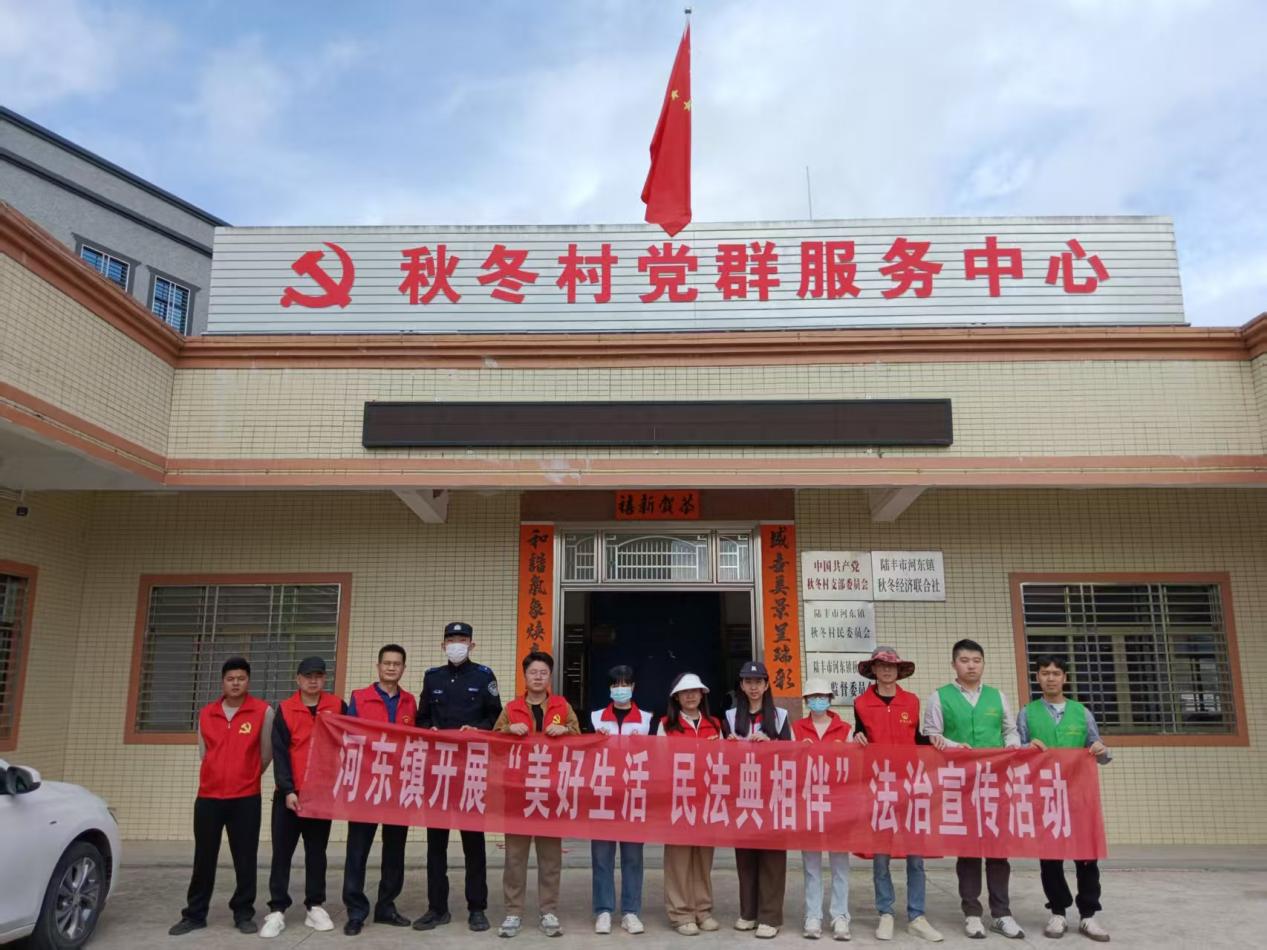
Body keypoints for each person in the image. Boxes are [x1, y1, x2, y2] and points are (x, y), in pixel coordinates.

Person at [923, 639, 1032, 941]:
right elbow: (932, 734)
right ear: (953, 664)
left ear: (983, 664)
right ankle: (972, 913)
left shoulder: (997, 696)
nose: (971, 666)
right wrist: (957, 747)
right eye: (964, 660)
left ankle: (1002, 914)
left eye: (976, 660)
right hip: (960, 783)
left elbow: (1010, 730)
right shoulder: (939, 697)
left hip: (996, 782)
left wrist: (1011, 747)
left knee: (998, 851)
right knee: (968, 851)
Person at [169, 657, 273, 936]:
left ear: (248, 681)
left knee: (245, 858)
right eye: (230, 679)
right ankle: (195, 914)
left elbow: (266, 754)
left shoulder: (263, 712)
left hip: (245, 798)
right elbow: (204, 753)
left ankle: (243, 913)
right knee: (204, 858)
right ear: (223, 682)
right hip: (209, 798)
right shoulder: (207, 713)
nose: (235, 683)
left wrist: (247, 776)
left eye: (241, 678)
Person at [414, 621, 502, 934]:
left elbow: (496, 717)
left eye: (462, 639)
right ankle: (437, 908)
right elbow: (421, 719)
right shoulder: (432, 677)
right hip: (438, 771)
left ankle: (477, 908)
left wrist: (477, 730)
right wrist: (429, 729)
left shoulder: (484, 676)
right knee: (435, 845)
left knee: (473, 844)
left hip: (471, 771)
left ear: (471, 645)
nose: (456, 644)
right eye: (451, 639)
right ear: (443, 645)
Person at [1018, 655, 1113, 943]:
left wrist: (1101, 749)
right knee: (1050, 858)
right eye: (1045, 673)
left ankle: (1088, 914)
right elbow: (1017, 751)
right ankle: (1058, 912)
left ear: (1065, 678)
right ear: (1037, 677)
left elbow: (1100, 751)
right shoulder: (1027, 713)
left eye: (1056, 673)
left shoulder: (1082, 713)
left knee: (1086, 857)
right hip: (1045, 797)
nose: (1051, 678)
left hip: (1078, 797)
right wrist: (1026, 747)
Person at [852, 646, 944, 943]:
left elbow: (920, 739)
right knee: (881, 856)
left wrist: (939, 742)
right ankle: (886, 913)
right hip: (879, 788)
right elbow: (858, 735)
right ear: (873, 670)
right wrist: (855, 736)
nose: (886, 670)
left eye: (891, 666)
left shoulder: (912, 701)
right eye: (881, 665)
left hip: (910, 787)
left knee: (915, 856)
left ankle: (917, 916)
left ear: (899, 670)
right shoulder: (861, 703)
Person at [493, 650, 580, 938]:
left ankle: (548, 911)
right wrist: (508, 729)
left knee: (550, 859)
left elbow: (580, 740)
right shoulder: (512, 708)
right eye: (533, 672)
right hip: (518, 793)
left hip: (550, 793)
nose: (538, 677)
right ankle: (513, 913)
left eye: (543, 673)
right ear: (525, 676)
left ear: (550, 676)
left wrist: (565, 730)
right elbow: (494, 742)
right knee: (515, 859)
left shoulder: (562, 706)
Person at [260, 656, 346, 939]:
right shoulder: (285, 709)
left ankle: (315, 906)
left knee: (316, 852)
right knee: (282, 853)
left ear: (325, 679)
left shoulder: (337, 706)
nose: (313, 680)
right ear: (298, 679)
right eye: (308, 676)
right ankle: (277, 909)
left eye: (318, 676)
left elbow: (348, 746)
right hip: (289, 796)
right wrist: (287, 790)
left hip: (321, 796)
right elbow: (280, 753)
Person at [341, 644, 417, 936]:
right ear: (378, 666)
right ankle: (356, 911)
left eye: (397, 664)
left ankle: (386, 906)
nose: (391, 668)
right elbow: (347, 737)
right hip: (367, 786)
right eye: (387, 663)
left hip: (399, 786)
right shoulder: (360, 697)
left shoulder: (409, 701)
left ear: (403, 668)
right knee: (357, 851)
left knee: (394, 851)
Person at [724, 661, 791, 939]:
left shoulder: (780, 716)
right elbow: (720, 759)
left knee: (772, 857)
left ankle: (770, 917)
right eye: (748, 682)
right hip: (743, 794)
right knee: (745, 856)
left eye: (758, 682)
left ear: (766, 685)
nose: (753, 687)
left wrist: (770, 746)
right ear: (741, 685)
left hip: (772, 795)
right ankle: (748, 913)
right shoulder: (730, 717)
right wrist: (728, 746)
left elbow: (790, 755)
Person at [658, 672, 726, 936]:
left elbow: (724, 762)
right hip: (678, 800)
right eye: (685, 692)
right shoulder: (666, 725)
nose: (690, 696)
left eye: (695, 691)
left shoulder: (714, 724)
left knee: (703, 857)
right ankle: (681, 913)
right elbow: (660, 761)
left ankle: (703, 910)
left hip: (706, 800)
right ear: (676, 697)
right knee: (679, 859)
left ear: (702, 695)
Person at [589, 664, 654, 936]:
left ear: (634, 686)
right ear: (609, 688)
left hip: (634, 795)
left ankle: (630, 912)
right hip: (603, 796)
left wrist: (644, 745)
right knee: (601, 857)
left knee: (633, 857)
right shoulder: (595, 718)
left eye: (625, 683)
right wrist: (595, 741)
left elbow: (658, 757)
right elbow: (583, 755)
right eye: (616, 684)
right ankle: (603, 910)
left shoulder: (647, 719)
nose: (620, 689)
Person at [791, 678, 852, 941]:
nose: (818, 700)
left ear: (830, 699)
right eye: (813, 697)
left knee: (840, 864)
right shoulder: (796, 728)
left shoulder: (845, 729)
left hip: (838, 803)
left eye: (823, 696)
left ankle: (840, 916)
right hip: (809, 802)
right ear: (806, 701)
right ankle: (812, 915)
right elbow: (788, 764)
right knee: (811, 864)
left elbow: (854, 766)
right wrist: (799, 752)